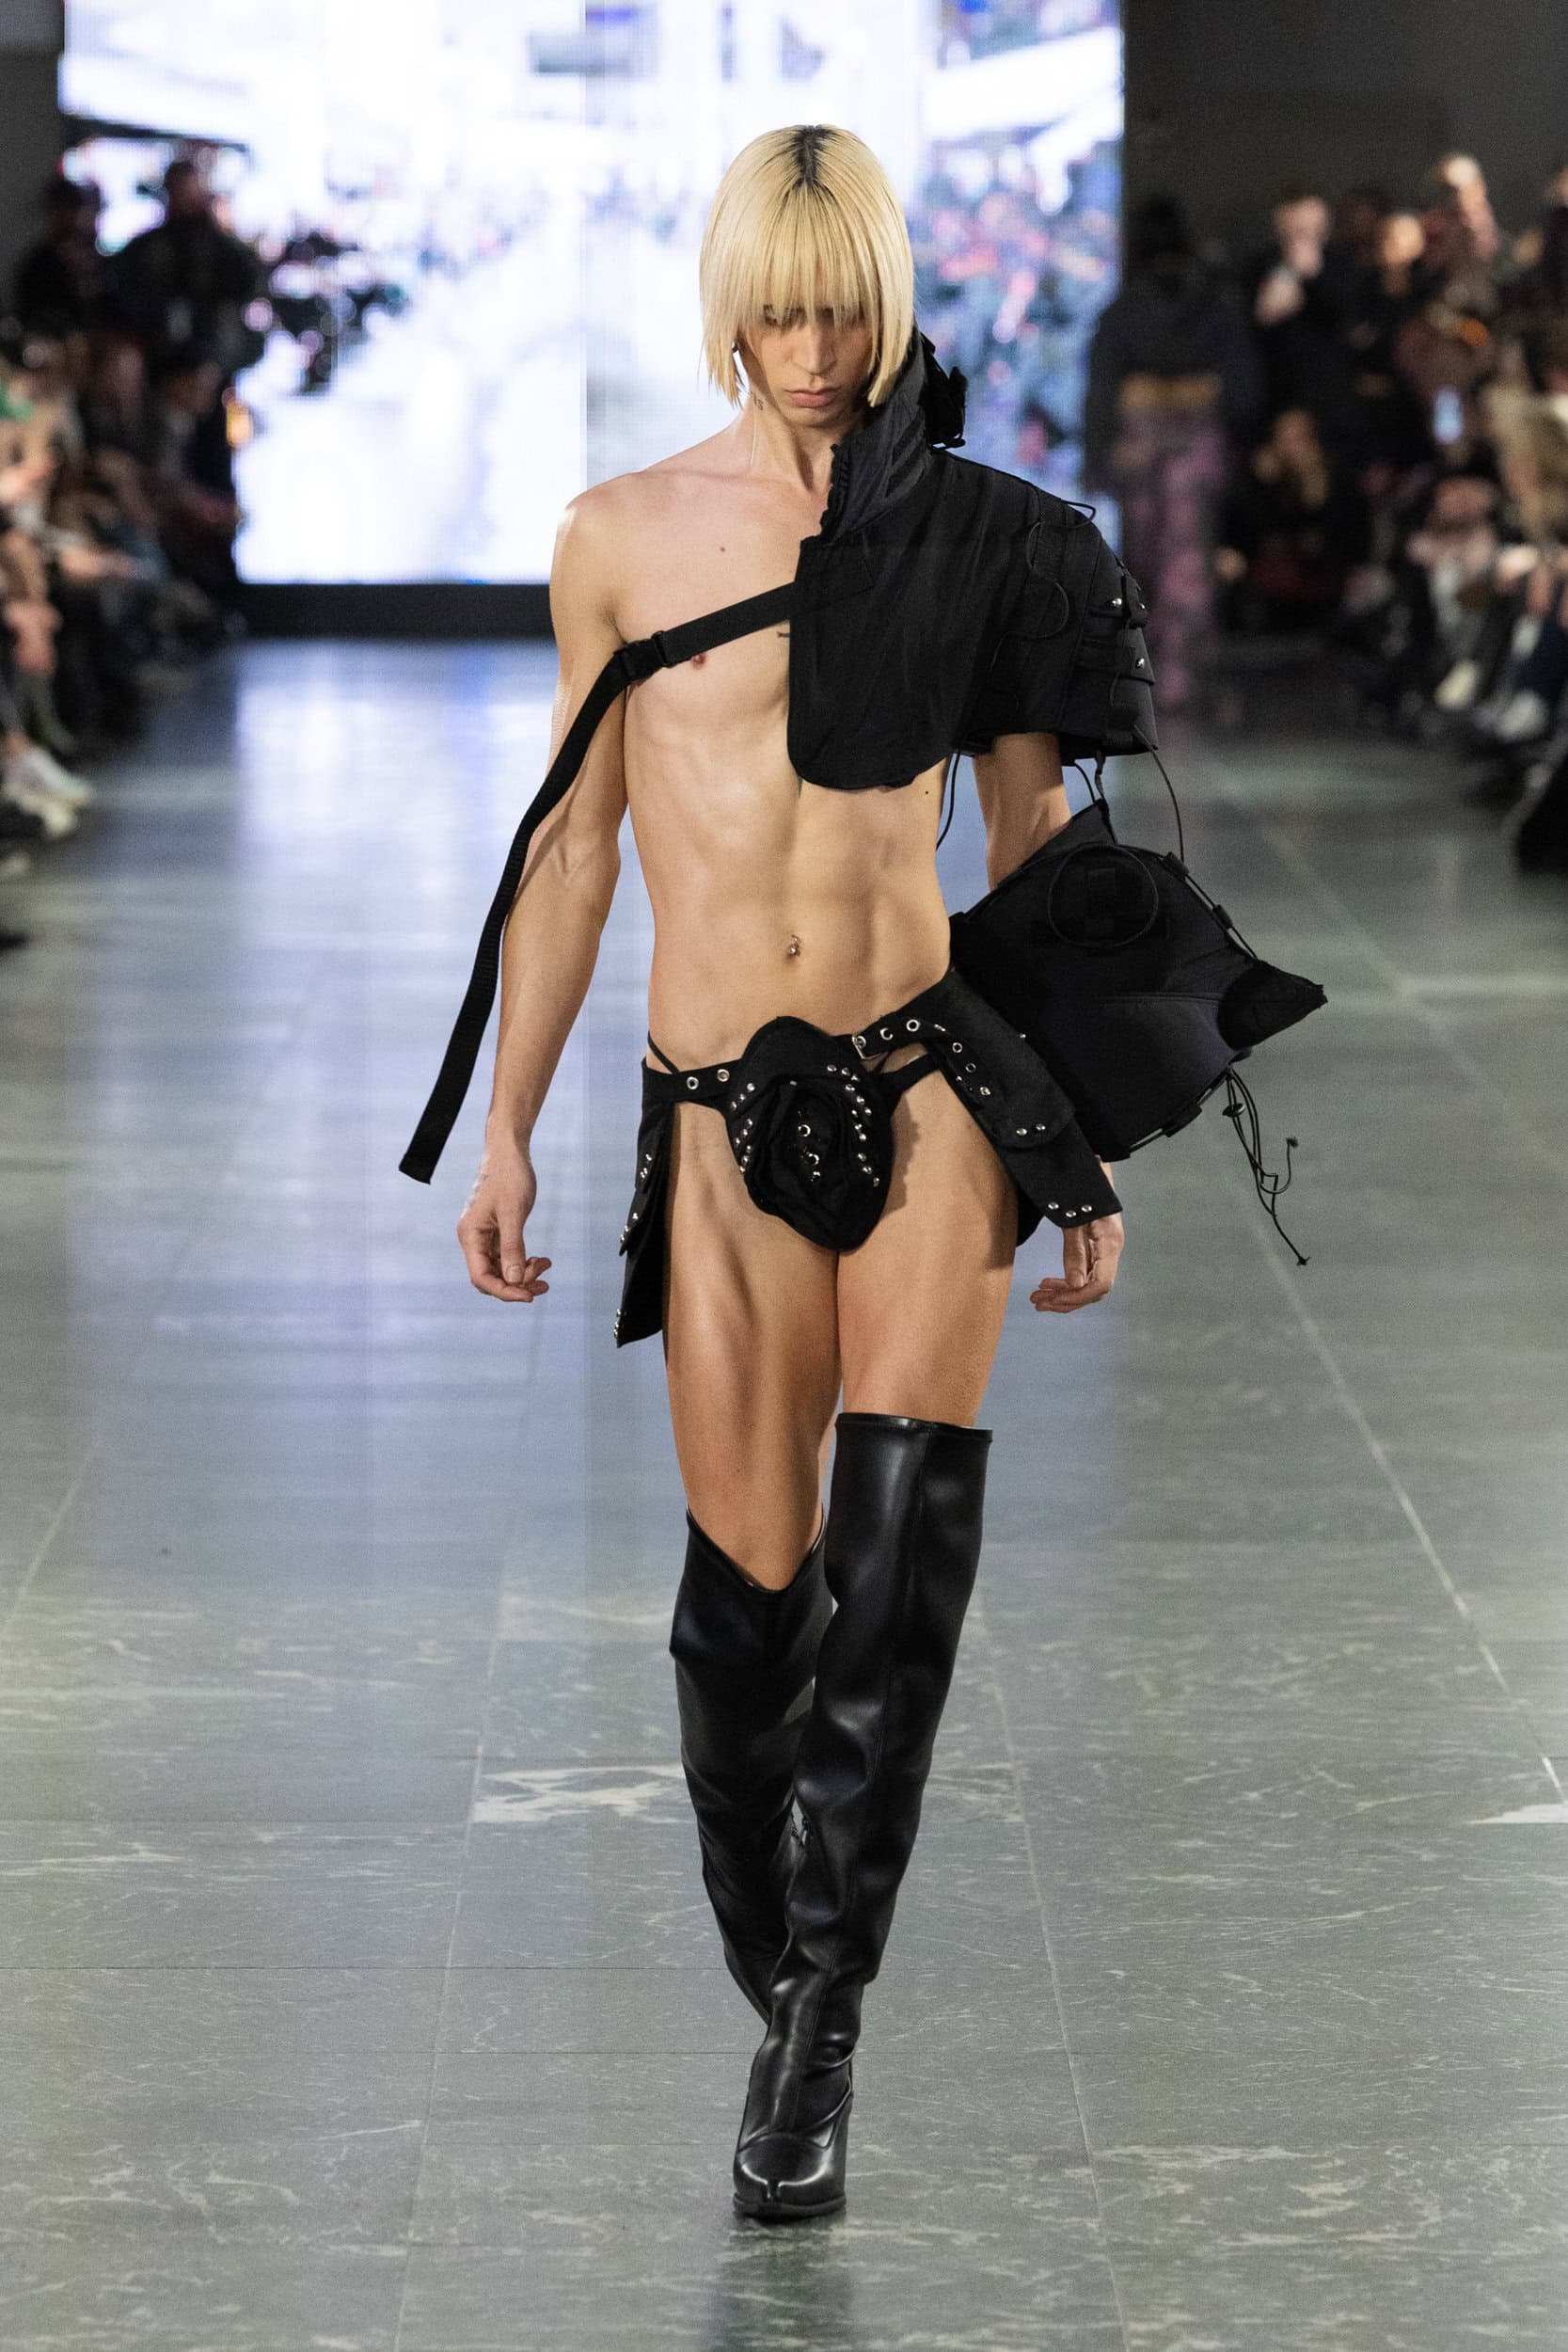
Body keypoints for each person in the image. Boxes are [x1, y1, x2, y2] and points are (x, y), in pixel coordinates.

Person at [401, 123, 1156, 2223]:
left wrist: (1073, 1132)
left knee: (894, 1568)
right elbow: (571, 853)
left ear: (892, 303)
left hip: (927, 1082)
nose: (815, 350)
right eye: (781, 308)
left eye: (848, 310)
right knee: (749, 1608)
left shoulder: (987, 542)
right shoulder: (621, 539)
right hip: (715, 1106)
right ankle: (781, 1954)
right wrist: (508, 1127)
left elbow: (1034, 847)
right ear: (729, 303)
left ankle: (820, 2019)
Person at [1084, 193, 1259, 707]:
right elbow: (1240, 391)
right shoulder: (1213, 307)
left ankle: (1158, 675)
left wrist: (1119, 434)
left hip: (1145, 454)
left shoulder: (1124, 313)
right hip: (1189, 454)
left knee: (1154, 562)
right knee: (1184, 562)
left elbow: (1108, 395)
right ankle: (1177, 676)